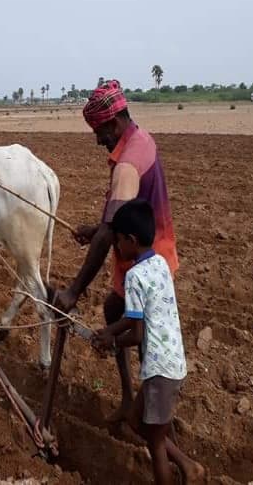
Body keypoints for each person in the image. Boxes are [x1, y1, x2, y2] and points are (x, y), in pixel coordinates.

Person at [54, 79, 179, 420]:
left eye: (99, 131)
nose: (98, 139)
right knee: (114, 309)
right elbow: (119, 218)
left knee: (147, 347)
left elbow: (112, 231)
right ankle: (130, 401)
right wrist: (94, 229)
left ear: (113, 122)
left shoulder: (126, 165)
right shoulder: (142, 139)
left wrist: (73, 291)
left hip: (145, 264)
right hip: (156, 254)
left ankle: (150, 419)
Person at [91, 199, 203, 484]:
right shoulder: (160, 264)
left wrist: (110, 339)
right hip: (173, 361)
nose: (115, 247)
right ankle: (189, 467)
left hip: (158, 371)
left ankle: (187, 468)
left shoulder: (134, 276)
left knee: (155, 442)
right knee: (135, 421)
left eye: (118, 241)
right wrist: (112, 332)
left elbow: (137, 333)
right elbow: (133, 319)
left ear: (131, 240)